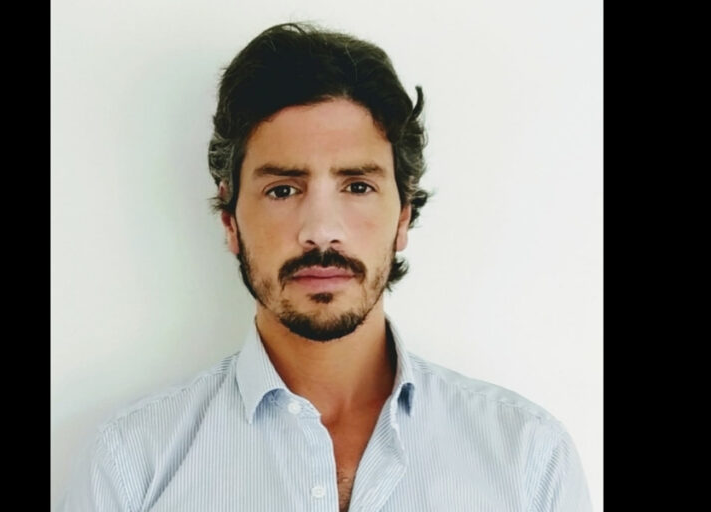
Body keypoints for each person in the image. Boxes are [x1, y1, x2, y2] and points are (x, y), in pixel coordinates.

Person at [58, 22, 592, 512]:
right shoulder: (131, 463)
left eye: (357, 186)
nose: (320, 230)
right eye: (283, 189)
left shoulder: (528, 458)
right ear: (230, 221)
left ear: (403, 216)